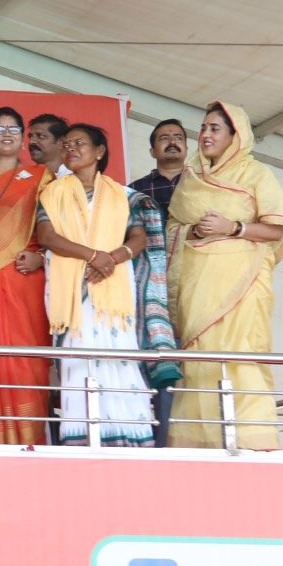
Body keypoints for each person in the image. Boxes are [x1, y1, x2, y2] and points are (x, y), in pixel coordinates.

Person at [167, 102, 283, 450]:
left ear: (235, 136)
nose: (206, 135)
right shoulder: (191, 176)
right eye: (204, 127)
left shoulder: (256, 174)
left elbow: (277, 230)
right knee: (200, 357)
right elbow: (173, 228)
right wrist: (191, 234)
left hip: (242, 281)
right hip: (197, 279)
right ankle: (196, 442)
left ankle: (251, 438)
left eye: (215, 129)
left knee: (241, 354)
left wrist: (233, 227)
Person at [34, 125, 156, 447]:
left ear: (99, 151)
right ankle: (83, 438)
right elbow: (47, 238)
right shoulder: (51, 192)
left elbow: (139, 237)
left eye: (79, 143)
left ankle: (130, 436)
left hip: (114, 290)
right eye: (67, 144)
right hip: (72, 291)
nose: (71, 149)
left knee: (119, 357)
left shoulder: (123, 195)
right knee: (79, 360)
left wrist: (111, 259)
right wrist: (94, 256)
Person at [0, 106, 52, 445]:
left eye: (14, 128)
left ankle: (29, 439)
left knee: (25, 361)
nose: (7, 133)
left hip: (24, 280)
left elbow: (64, 229)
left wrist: (43, 256)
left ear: (23, 138)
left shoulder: (42, 177)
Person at [128, 180, 183, 444]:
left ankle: (167, 445)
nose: (171, 141)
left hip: (186, 301)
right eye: (164, 136)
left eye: (177, 135)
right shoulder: (138, 191)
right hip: (142, 298)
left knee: (172, 379)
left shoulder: (194, 184)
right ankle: (155, 443)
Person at [131, 118, 189, 228]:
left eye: (178, 138)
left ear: (186, 149)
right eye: (164, 138)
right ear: (152, 152)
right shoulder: (135, 190)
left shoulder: (202, 182)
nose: (172, 142)